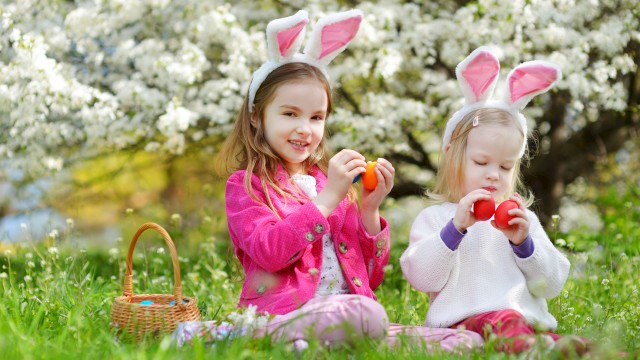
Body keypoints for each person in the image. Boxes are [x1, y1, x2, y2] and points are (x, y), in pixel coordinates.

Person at [173, 9, 482, 352]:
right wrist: (329, 198)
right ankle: (244, 333)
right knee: (365, 315)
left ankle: (315, 345)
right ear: (256, 116)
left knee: (465, 341)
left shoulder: (329, 184)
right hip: (285, 313)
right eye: (289, 113)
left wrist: (369, 208)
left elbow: (372, 276)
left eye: (316, 117)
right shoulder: (247, 185)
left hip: (352, 313)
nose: (305, 128)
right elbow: (270, 252)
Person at [400, 46, 589, 355]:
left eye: (504, 167)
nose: (493, 175)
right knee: (514, 330)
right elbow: (423, 277)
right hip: (466, 327)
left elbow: (552, 283)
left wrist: (525, 245)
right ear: (452, 157)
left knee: (575, 346)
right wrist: (455, 230)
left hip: (523, 325)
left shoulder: (520, 221)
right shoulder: (437, 218)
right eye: (481, 162)